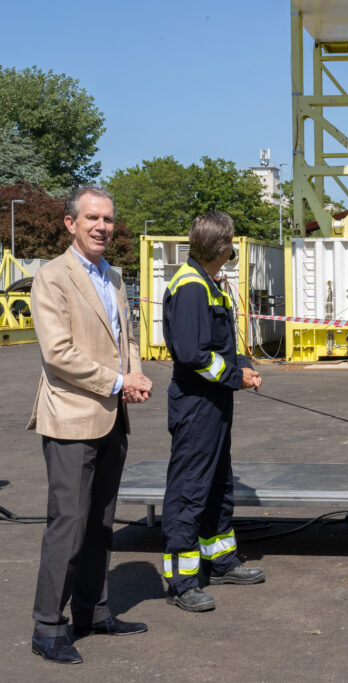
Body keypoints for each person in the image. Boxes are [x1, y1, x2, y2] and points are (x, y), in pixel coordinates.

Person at [28, 186, 153, 664]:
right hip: (70, 418)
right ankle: (47, 626)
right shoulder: (52, 277)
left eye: (108, 219)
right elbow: (58, 354)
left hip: (112, 416)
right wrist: (119, 381)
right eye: (92, 218)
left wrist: (134, 376)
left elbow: (127, 337)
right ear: (71, 223)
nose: (102, 227)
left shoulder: (113, 276)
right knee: (69, 524)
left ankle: (93, 611)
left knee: (100, 522)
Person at [161, 211, 264, 611]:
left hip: (214, 402)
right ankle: (182, 582)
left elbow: (219, 345)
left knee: (218, 484)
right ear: (221, 248)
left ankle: (221, 561)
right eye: (231, 242)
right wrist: (236, 377)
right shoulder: (191, 287)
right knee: (189, 491)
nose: (233, 248)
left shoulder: (208, 282)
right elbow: (194, 355)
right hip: (196, 403)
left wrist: (242, 365)